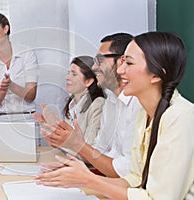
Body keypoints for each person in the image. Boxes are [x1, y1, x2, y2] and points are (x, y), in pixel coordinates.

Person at [36, 31, 194, 199]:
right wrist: (80, 179)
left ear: (156, 75)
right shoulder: (144, 113)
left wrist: (89, 180)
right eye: (122, 62)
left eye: (129, 63)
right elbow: (135, 178)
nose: (120, 70)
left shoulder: (180, 117)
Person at [34, 33, 141, 178]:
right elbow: (100, 151)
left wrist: (78, 146)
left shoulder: (137, 103)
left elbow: (127, 170)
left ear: (122, 62)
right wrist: (74, 162)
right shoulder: (111, 102)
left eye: (99, 61)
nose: (95, 67)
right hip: (108, 180)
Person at [0, 12, 39, 122]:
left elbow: (31, 95)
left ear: (5, 29)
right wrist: (3, 90)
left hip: (26, 119)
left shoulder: (27, 54)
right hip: (0, 121)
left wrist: (11, 85)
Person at [52, 56, 105, 156]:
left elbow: (88, 150)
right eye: (68, 73)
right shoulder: (72, 104)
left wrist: (64, 143)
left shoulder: (98, 104)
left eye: (74, 74)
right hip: (71, 161)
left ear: (88, 81)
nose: (67, 77)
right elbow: (66, 144)